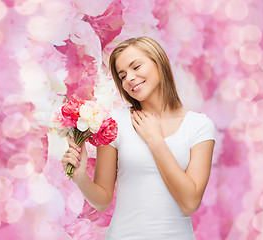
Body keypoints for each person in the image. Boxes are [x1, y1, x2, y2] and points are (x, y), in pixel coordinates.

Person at [62, 36, 215, 239]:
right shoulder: (114, 123)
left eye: (136, 67)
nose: (130, 78)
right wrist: (80, 177)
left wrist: (155, 141)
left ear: (159, 62)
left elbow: (189, 203)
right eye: (122, 75)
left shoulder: (199, 126)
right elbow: (103, 200)